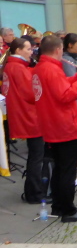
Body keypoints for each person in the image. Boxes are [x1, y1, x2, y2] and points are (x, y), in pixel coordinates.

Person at [32, 35, 77, 222]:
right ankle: (68, 210)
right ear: (58, 49)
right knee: (67, 170)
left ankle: (59, 205)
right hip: (64, 125)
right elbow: (65, 95)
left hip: (52, 124)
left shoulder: (41, 67)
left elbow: (57, 88)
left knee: (60, 168)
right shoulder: (52, 68)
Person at [2, 38, 44, 203]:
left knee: (35, 155)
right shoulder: (18, 67)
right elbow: (32, 93)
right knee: (36, 156)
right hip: (29, 115)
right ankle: (34, 193)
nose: (31, 51)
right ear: (18, 50)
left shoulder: (12, 66)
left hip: (23, 113)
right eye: (28, 49)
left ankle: (33, 190)